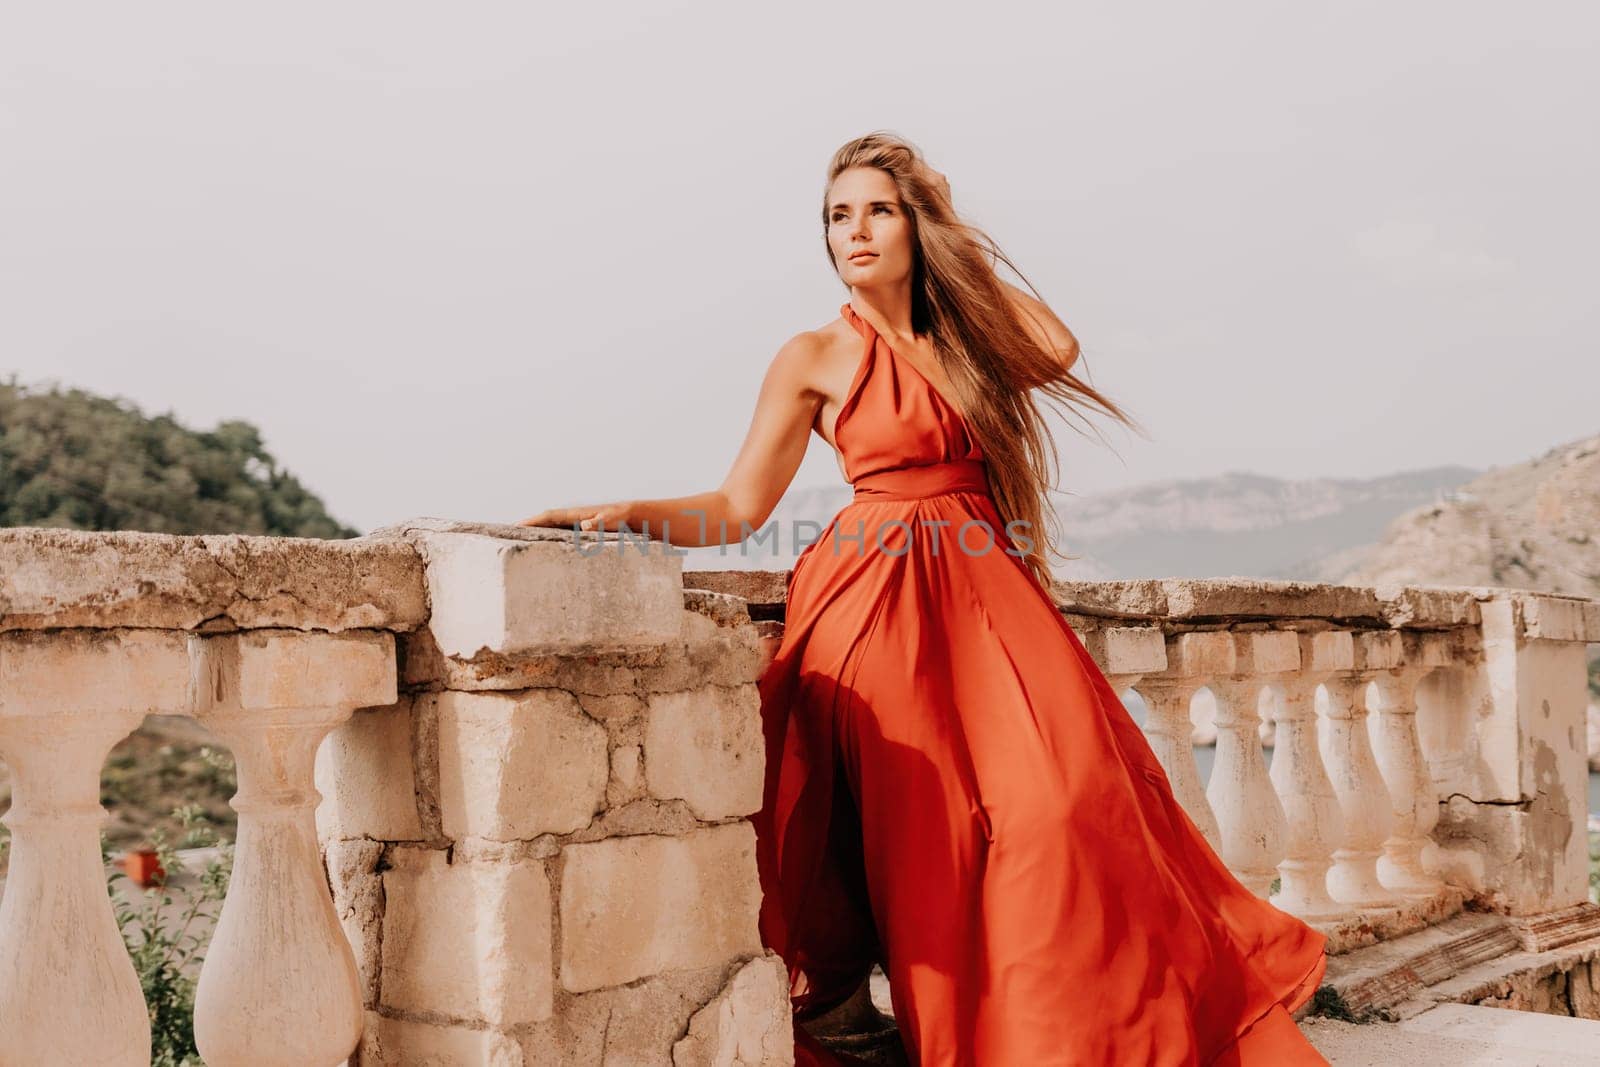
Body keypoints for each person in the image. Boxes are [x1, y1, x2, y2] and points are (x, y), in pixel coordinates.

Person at [520, 131, 1330, 1066]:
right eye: (837, 216)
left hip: (990, 592)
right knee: (940, 842)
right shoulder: (813, 355)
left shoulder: (967, 338)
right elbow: (740, 507)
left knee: (1066, 802)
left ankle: (1076, 1035)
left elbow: (1057, 344)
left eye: (879, 210)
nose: (855, 231)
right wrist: (624, 513)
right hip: (877, 606)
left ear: (916, 226)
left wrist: (958, 238)